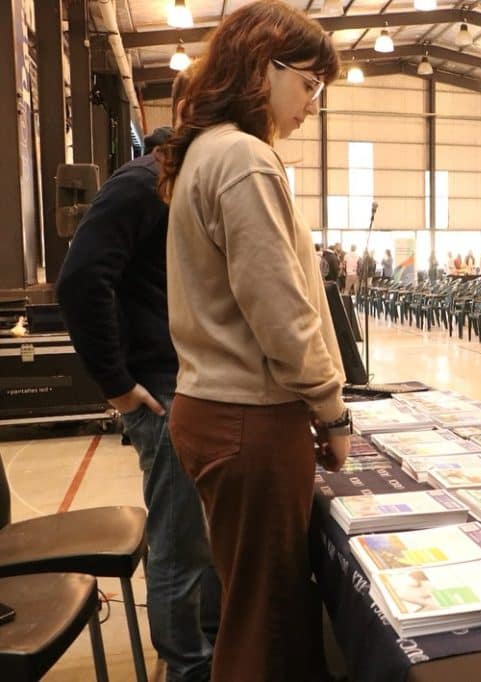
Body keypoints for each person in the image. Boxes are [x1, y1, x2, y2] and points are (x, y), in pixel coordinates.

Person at [157, 2, 349, 679]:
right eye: (310, 85)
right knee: (263, 624)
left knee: (256, 604)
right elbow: (283, 315)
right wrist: (332, 409)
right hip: (250, 417)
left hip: (218, 410)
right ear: (265, 68)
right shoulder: (244, 159)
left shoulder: (207, 151)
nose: (312, 106)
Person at [58, 67, 220, 682]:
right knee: (179, 541)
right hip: (161, 391)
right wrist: (118, 384)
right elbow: (80, 281)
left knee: (197, 538)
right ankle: (189, 667)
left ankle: (206, 645)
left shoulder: (182, 184)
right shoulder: (144, 180)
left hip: (187, 383)